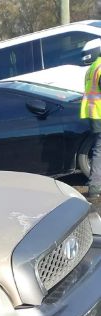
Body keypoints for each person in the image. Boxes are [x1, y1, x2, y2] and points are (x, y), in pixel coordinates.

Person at [81, 38, 101, 201]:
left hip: (94, 114)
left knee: (98, 150)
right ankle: (95, 187)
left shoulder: (91, 68)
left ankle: (95, 187)